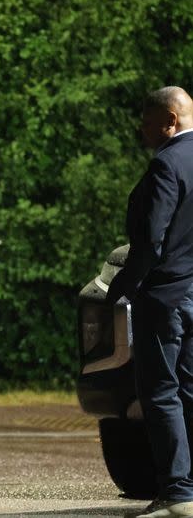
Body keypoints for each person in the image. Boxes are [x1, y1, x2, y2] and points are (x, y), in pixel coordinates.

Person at [106, 87, 193, 518]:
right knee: (191, 390)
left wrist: (122, 286)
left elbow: (151, 241)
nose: (141, 129)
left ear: (170, 121)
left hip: (164, 296)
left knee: (159, 392)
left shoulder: (165, 163)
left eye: (147, 121)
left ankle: (177, 493)